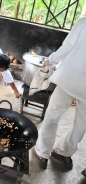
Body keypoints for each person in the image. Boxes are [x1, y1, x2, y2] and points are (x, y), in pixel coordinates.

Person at [32, 17, 86, 170]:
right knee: (81, 125)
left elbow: (67, 46)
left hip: (68, 78)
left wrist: (51, 60)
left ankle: (42, 153)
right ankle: (64, 153)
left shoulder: (83, 22)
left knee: (52, 115)